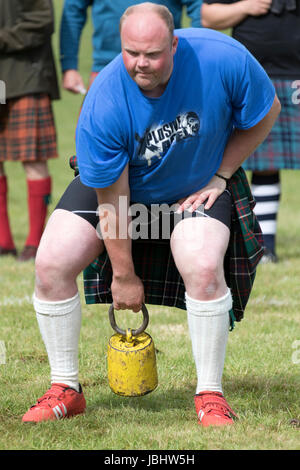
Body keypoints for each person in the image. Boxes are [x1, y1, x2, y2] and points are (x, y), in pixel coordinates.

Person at [22, 3, 280, 426]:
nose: (141, 64)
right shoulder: (104, 99)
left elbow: (266, 110)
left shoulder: (222, 58)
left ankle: (210, 395)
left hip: (191, 190)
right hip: (122, 190)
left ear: (174, 44)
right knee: (51, 260)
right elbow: (114, 199)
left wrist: (222, 174)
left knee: (201, 264)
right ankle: (65, 387)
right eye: (131, 53)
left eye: (153, 54)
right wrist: (123, 274)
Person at [201, 0, 300, 263]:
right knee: (265, 163)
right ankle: (265, 247)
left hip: (296, 73)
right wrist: (245, 6)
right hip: (255, 73)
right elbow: (208, 17)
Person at [0, 0, 59, 262]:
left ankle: (35, 241)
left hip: (26, 75)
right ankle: (3, 242)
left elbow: (43, 20)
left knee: (33, 159)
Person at [59, 0, 203, 95]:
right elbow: (73, 10)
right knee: (97, 133)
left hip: (162, 72)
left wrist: (191, 56)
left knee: (167, 136)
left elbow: (198, 8)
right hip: (105, 67)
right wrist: (69, 65)